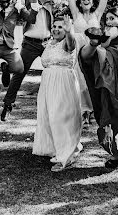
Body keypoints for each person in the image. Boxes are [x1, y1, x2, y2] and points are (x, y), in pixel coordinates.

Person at [0, 0, 68, 121]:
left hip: (48, 43)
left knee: (54, 71)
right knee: (20, 73)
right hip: (30, 44)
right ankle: (8, 103)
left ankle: (56, 105)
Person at [59, 0, 116, 126]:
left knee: (94, 80)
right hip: (77, 49)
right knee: (79, 81)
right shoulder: (75, 14)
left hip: (94, 50)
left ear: (92, 1)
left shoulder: (97, 15)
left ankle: (93, 110)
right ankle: (83, 111)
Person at [78, 11, 118, 169]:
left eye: (112, 18)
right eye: (107, 19)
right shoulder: (116, 31)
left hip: (116, 73)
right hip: (113, 72)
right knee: (110, 109)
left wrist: (100, 39)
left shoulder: (115, 30)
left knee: (112, 109)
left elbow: (105, 45)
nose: (109, 21)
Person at [32, 11, 82, 172]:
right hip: (47, 83)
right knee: (48, 116)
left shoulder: (67, 42)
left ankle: (65, 156)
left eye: (60, 27)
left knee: (60, 117)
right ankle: (58, 148)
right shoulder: (49, 43)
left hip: (63, 82)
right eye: (54, 26)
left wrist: (69, 32)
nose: (56, 29)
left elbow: (71, 45)